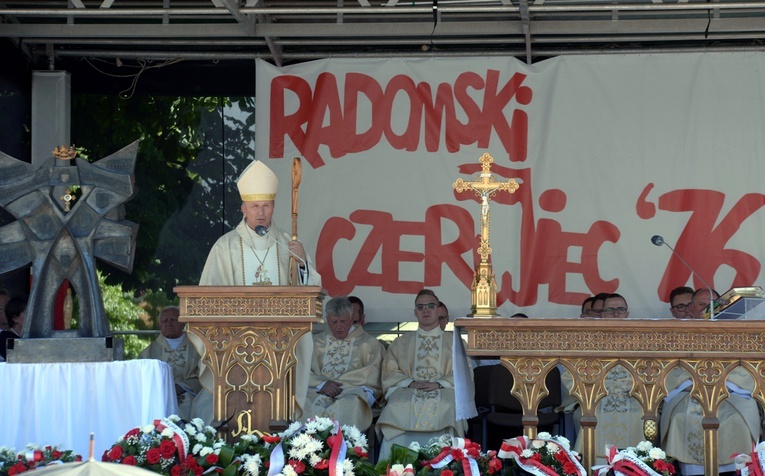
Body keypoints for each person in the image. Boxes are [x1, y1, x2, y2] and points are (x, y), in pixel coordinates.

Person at [199, 159, 321, 287]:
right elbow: (210, 292)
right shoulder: (225, 246)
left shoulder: (287, 243)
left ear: (273, 208)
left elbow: (311, 291)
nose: (261, 213)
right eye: (255, 206)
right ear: (244, 210)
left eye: (266, 206)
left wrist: (302, 264)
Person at [376, 289, 466, 460]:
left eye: (430, 306)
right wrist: (410, 382)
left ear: (439, 310)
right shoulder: (401, 342)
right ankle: (393, 465)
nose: (426, 310)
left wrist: (439, 383)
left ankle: (447, 466)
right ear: (415, 312)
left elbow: (464, 373)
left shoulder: (454, 342)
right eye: (421, 307)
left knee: (449, 405)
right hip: (409, 389)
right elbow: (390, 371)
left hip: (443, 390)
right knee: (396, 404)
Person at [303, 297, 384, 431]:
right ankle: (308, 449)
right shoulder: (315, 342)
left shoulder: (369, 343)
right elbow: (301, 370)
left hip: (353, 391)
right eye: (334, 322)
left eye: (343, 321)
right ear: (327, 319)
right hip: (320, 390)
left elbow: (373, 373)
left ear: (352, 318)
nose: (339, 326)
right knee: (304, 403)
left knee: (351, 404)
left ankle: (349, 449)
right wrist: (323, 384)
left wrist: (340, 385)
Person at [661, 364, 759, 475]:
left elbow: (746, 366)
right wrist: (694, 385)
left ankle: (737, 468)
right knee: (680, 416)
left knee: (737, 418)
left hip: (731, 391)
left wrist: (722, 384)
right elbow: (674, 367)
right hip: (690, 390)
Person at [138, 306, 202, 421]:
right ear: (159, 325)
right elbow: (141, 379)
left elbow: (204, 375)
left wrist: (182, 387)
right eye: (165, 321)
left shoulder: (197, 348)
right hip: (160, 396)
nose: (169, 323)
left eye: (173, 319)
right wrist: (167, 390)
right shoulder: (149, 352)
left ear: (183, 323)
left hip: (188, 395)